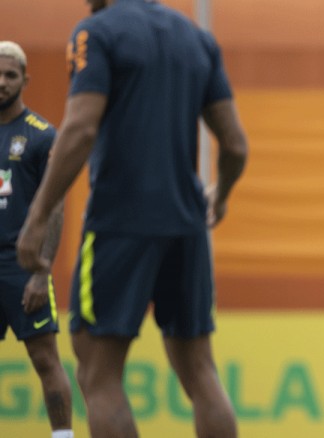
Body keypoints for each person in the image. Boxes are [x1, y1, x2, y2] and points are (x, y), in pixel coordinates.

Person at [16, 1, 248, 437]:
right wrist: (221, 196)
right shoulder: (196, 39)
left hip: (118, 222)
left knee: (98, 373)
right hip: (187, 224)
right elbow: (235, 144)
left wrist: (38, 213)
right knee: (200, 369)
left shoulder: (96, 33)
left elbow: (80, 129)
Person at [0, 41, 74, 438]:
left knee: (45, 358)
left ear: (25, 80)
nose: (2, 82)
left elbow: (56, 208)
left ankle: (63, 436)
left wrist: (40, 273)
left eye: (10, 75)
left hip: (22, 264)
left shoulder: (43, 136)